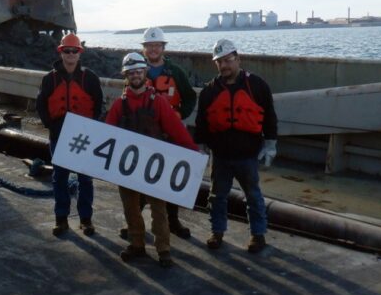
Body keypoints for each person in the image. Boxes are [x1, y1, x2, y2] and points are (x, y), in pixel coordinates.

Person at [106, 53, 200, 268]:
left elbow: (176, 130)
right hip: (127, 166)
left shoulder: (158, 102)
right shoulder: (119, 105)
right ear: (126, 76)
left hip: (153, 166)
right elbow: (107, 134)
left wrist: (194, 153)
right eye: (131, 72)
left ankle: (163, 249)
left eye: (139, 71)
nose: (135, 75)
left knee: (159, 210)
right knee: (130, 208)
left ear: (145, 73)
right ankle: (137, 244)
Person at [194, 39, 278, 253]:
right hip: (220, 156)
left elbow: (269, 117)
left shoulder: (258, 86)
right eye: (219, 62)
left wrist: (271, 144)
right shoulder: (209, 91)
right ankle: (217, 232)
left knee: (253, 196)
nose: (224, 65)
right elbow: (201, 123)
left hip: (248, 155)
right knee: (216, 197)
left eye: (228, 60)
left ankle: (258, 235)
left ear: (238, 59)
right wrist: (201, 147)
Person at [36, 33, 104, 237]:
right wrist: (51, 126)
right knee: (60, 177)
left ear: (80, 53)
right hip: (59, 135)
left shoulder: (90, 78)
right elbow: (41, 105)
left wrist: (91, 128)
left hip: (84, 135)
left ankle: (86, 219)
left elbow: (98, 104)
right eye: (67, 51)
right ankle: (61, 219)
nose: (71, 54)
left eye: (74, 51)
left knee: (86, 178)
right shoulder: (49, 79)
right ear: (61, 52)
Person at [141, 26, 197, 239]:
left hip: (171, 133)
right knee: (140, 175)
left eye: (157, 45)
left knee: (172, 176)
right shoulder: (137, 70)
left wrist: (180, 114)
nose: (153, 49)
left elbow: (190, 97)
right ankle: (135, 221)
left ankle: (173, 220)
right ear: (144, 48)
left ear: (163, 47)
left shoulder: (176, 72)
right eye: (149, 46)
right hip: (146, 133)